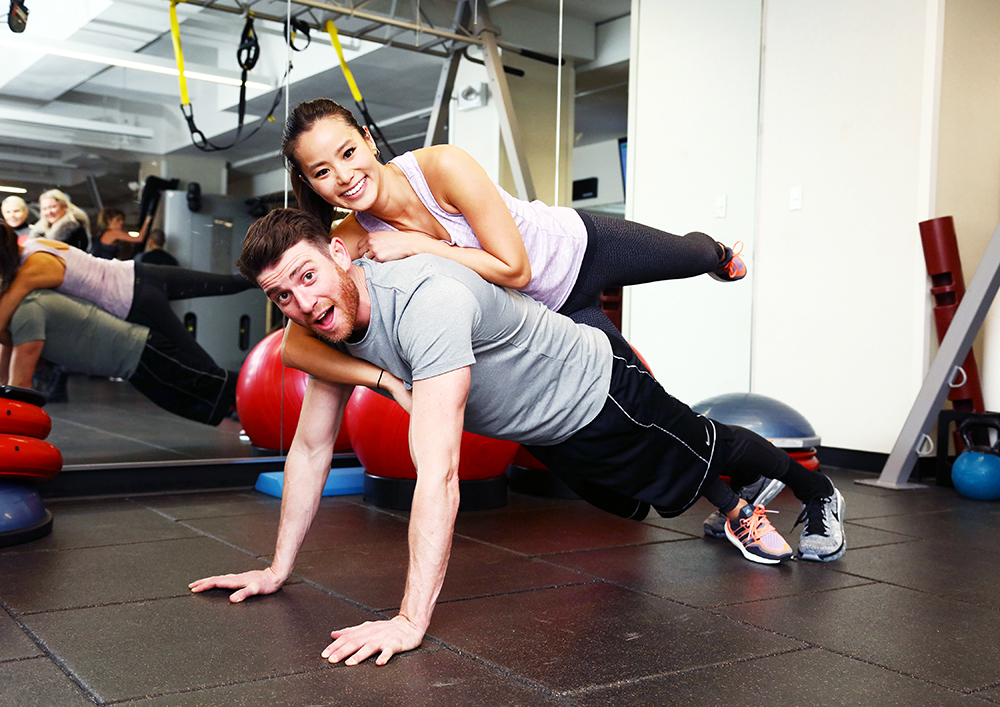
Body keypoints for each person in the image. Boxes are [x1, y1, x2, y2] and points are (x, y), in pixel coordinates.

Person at [190, 209, 847, 668]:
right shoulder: (325, 326)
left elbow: (439, 472)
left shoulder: (427, 303)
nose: (301, 305)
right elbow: (309, 449)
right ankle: (730, 505)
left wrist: (410, 619)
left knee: (710, 444)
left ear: (339, 252)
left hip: (596, 393)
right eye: (281, 296)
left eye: (306, 276)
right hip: (548, 431)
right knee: (654, 490)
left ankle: (816, 492)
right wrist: (277, 568)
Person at [276, 98, 748, 406]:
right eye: (321, 172)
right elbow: (293, 348)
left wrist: (420, 246)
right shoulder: (353, 238)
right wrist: (379, 381)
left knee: (692, 255)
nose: (342, 175)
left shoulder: (441, 167)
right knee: (646, 398)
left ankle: (720, 253)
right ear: (313, 184)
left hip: (579, 248)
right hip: (551, 317)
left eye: (347, 153)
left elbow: (514, 268)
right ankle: (733, 489)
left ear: (368, 140)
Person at [0, 221, 252, 374]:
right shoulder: (36, 245)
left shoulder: (31, 268)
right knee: (229, 283)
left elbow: (2, 317)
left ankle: (235, 400)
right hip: (140, 273)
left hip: (133, 299)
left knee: (193, 355)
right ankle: (279, 270)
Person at [0, 289, 236, 426]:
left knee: (215, 383)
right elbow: (4, 374)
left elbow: (20, 384)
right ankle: (250, 414)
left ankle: (266, 395)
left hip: (143, 350)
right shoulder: (17, 317)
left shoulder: (27, 311)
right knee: (196, 404)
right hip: (132, 365)